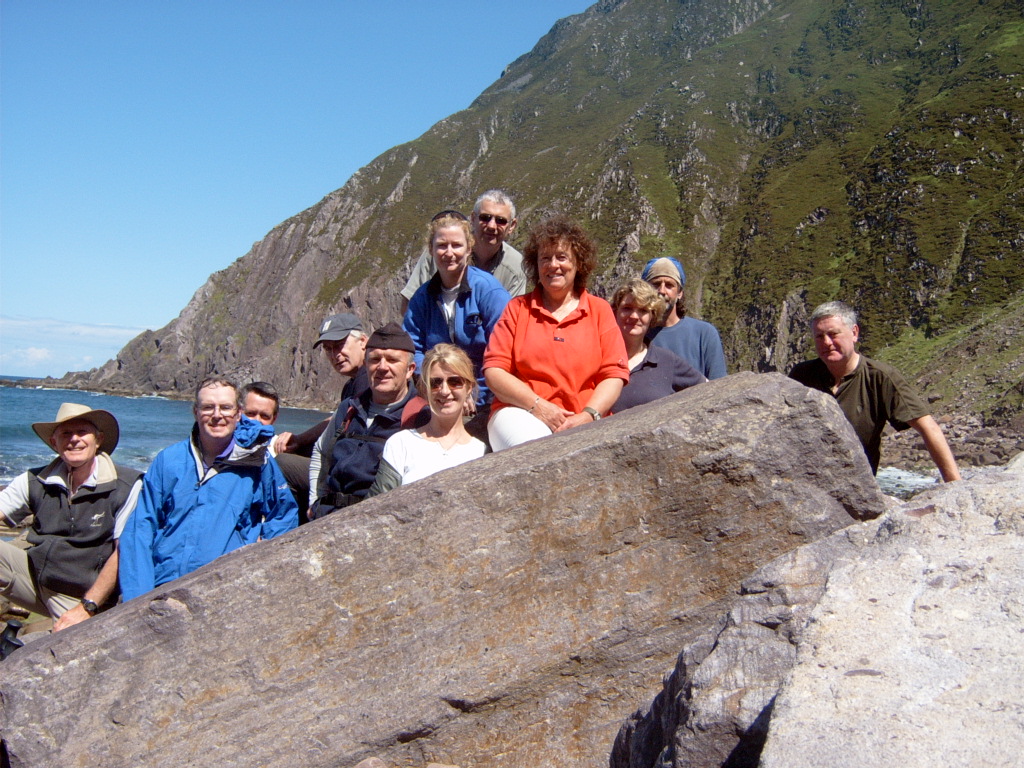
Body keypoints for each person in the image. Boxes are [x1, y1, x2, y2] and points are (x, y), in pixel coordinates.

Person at [119, 378, 298, 600]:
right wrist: (138, 598)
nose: (217, 415)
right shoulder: (169, 460)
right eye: (207, 407)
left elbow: (284, 514)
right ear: (195, 412)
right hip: (164, 585)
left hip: (225, 589)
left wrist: (259, 558)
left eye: (225, 407)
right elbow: (140, 528)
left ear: (238, 414)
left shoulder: (257, 462)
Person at [483, 215, 630, 451]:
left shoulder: (599, 310)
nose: (553, 265)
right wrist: (538, 406)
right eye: (545, 258)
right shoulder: (517, 309)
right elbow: (494, 371)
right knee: (534, 449)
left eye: (562, 257)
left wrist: (588, 415)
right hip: (521, 413)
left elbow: (614, 374)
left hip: (585, 418)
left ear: (578, 263)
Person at [0, 404, 142, 630]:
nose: (74, 439)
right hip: (36, 580)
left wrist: (88, 606)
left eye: (82, 432)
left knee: (66, 643)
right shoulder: (35, 480)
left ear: (98, 440)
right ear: (54, 442)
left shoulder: (126, 486)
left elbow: (123, 552)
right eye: (66, 433)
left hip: (82, 596)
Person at [788, 301, 961, 481]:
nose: (827, 343)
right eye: (819, 336)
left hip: (858, 487)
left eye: (833, 334)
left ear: (854, 333)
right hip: (805, 482)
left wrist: (954, 484)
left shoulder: (880, 377)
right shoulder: (801, 375)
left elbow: (928, 427)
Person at [309, 323, 429, 518]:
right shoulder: (348, 408)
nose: (382, 367)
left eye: (392, 360)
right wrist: (315, 501)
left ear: (410, 370)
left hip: (372, 519)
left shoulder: (420, 417)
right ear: (366, 365)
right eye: (374, 360)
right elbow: (321, 451)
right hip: (325, 515)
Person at [403, 212, 511, 413]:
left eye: (456, 245)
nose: (449, 252)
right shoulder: (422, 297)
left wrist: (474, 394)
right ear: (431, 250)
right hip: (437, 395)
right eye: (442, 245)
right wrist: (434, 386)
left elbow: (502, 350)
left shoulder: (489, 291)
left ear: (469, 248)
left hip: (484, 399)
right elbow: (411, 348)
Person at [272, 314, 370, 523]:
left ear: (363, 341)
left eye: (340, 345)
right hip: (347, 466)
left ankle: (296, 529)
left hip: (353, 476)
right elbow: (335, 421)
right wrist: (300, 440)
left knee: (283, 464)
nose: (335, 355)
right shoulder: (353, 384)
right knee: (295, 451)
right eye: (328, 349)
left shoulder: (368, 381)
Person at [368, 345, 487, 496]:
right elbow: (378, 502)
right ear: (425, 389)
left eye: (455, 382)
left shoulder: (481, 451)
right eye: (435, 383)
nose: (445, 391)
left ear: (469, 387)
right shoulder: (401, 444)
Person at [400, 191, 526, 312]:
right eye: (485, 218)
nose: (491, 226)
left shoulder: (516, 267)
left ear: (512, 226)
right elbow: (409, 304)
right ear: (473, 218)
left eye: (501, 220)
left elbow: (510, 318)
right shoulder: (440, 253)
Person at [610, 278, 705, 412]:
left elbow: (710, 389)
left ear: (652, 317)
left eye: (643, 310)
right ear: (615, 312)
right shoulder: (598, 357)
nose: (634, 316)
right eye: (627, 308)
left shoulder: (667, 361)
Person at [643, 256, 728, 380]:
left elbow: (719, 383)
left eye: (669, 285)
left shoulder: (704, 334)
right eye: (656, 284)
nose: (662, 291)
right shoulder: (636, 334)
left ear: (679, 293)